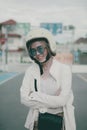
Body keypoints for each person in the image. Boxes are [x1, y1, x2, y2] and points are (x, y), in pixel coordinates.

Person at [20, 28, 76, 130]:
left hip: (60, 122)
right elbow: (24, 99)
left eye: (40, 48)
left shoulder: (64, 70)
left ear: (49, 47)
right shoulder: (30, 71)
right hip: (37, 121)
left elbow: (62, 101)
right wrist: (54, 99)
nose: (37, 53)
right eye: (33, 51)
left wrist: (35, 95)